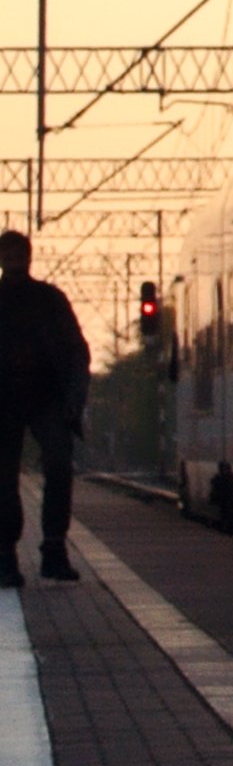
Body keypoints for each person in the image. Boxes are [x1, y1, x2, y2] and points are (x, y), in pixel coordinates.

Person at [0, 231, 90, 586]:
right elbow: (78, 351)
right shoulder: (49, 299)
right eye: (8, 254)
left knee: (58, 465)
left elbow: (77, 351)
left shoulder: (50, 300)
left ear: (28, 257)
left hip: (47, 397)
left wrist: (74, 399)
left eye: (18, 254)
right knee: (5, 478)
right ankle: (7, 555)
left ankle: (52, 549)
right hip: (8, 401)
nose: (14, 261)